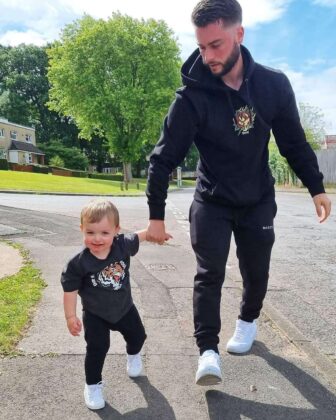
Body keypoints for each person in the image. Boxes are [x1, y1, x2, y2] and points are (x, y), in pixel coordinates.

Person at [146, 0, 331, 386]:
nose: (208, 55)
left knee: (256, 272)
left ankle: (248, 321)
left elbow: (294, 142)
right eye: (201, 47)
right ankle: (207, 351)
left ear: (239, 34)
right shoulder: (191, 97)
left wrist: (316, 187)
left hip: (257, 198)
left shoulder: (273, 85)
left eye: (216, 45)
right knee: (208, 273)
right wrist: (156, 216)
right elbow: (163, 159)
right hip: (211, 200)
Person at [61, 199, 155, 410]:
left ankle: (133, 356)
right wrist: (70, 316)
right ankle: (92, 385)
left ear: (116, 231)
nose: (97, 238)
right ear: (82, 230)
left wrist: (155, 233)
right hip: (95, 314)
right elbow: (70, 291)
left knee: (138, 336)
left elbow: (143, 235)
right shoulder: (77, 263)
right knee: (97, 348)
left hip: (124, 308)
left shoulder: (122, 244)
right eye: (90, 232)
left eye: (104, 233)